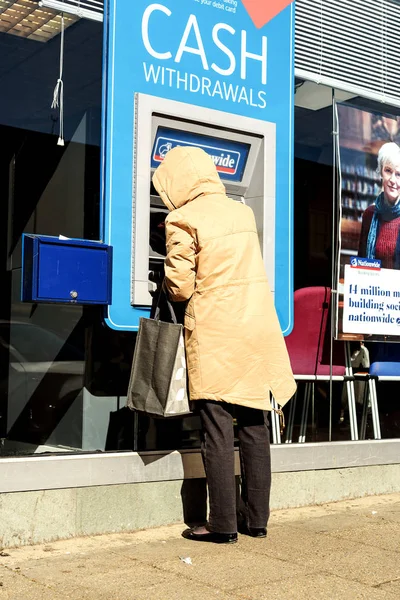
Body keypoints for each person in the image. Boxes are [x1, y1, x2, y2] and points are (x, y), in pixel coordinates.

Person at [152, 146, 296, 544]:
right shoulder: (242, 212)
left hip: (216, 334)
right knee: (254, 426)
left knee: (216, 429)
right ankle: (257, 521)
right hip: (254, 331)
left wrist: (161, 273)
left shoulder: (181, 218)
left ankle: (221, 526)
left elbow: (180, 287)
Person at [358, 142, 400, 269]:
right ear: (381, 172)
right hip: (373, 288)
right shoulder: (369, 215)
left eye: (398, 174)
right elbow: (361, 262)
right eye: (388, 171)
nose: (393, 180)